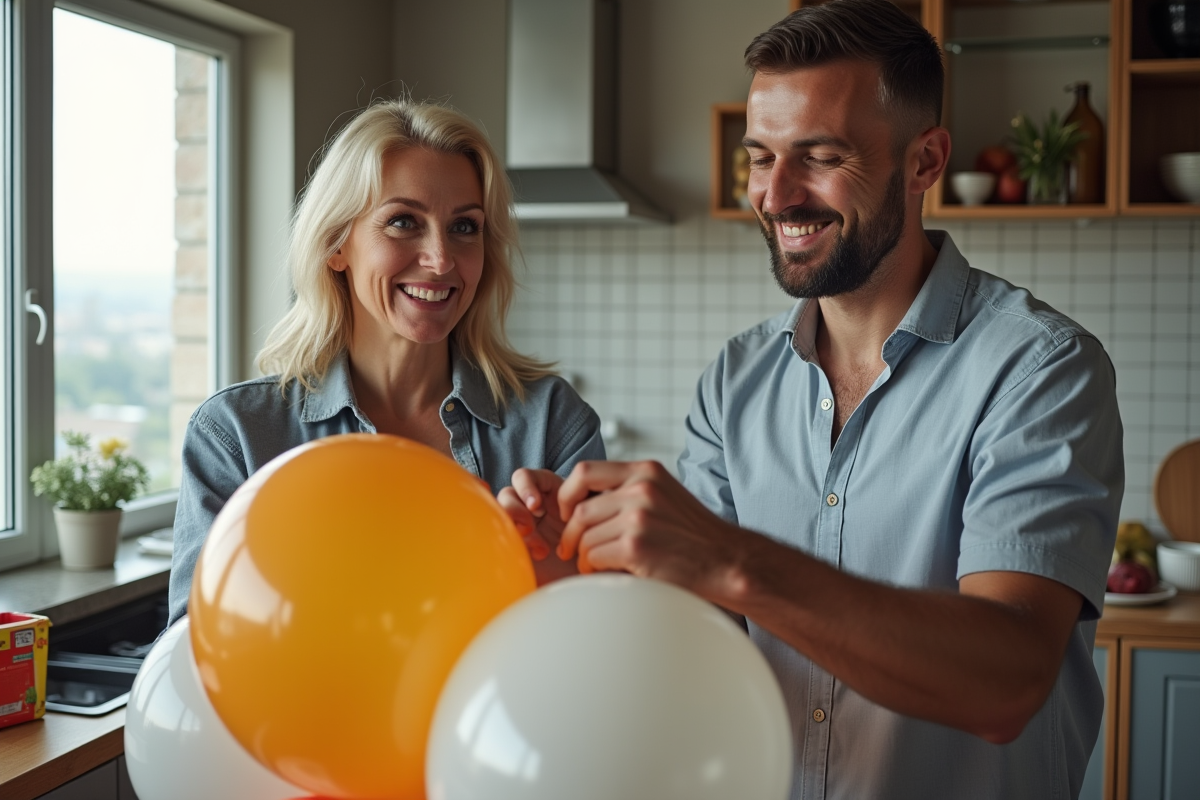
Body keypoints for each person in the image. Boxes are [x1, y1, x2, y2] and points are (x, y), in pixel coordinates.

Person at [499, 2, 1123, 798]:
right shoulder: (737, 380)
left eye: (819, 156)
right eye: (760, 158)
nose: (777, 194)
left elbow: (1005, 683)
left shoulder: (1040, 370)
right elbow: (704, 638)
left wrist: (730, 557)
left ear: (925, 161)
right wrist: (577, 573)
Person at [168, 100, 603, 626]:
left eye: (465, 227)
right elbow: (195, 655)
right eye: (403, 222)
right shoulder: (238, 435)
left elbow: (597, 638)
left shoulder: (552, 424)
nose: (441, 259)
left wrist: (561, 576)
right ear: (336, 244)